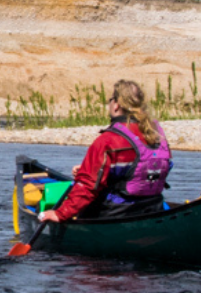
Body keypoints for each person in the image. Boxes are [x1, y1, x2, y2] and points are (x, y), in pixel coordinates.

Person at [38, 79, 173, 223]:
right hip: (153, 209)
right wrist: (93, 170)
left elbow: (87, 186)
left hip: (114, 214)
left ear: (116, 105)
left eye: (110, 100)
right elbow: (147, 171)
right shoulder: (157, 135)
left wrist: (60, 214)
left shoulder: (108, 140)